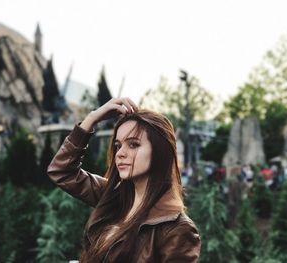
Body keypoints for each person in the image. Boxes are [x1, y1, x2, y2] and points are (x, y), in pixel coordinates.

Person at [47, 98, 201, 263]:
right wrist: (92, 119)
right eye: (118, 145)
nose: (120, 153)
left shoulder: (177, 230)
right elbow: (61, 171)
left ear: (159, 152)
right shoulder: (114, 197)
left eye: (133, 145)